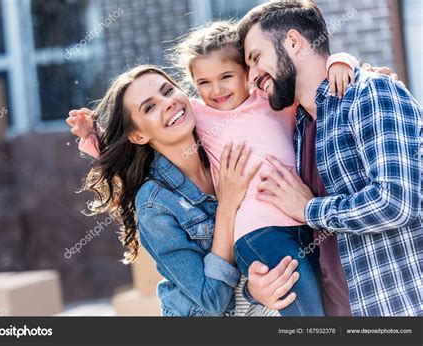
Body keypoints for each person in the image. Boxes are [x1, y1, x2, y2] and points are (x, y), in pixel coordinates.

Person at [67, 22, 358, 316]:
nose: (169, 104)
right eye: (150, 107)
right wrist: (227, 206)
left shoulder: (230, 115)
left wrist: (345, 67)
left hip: (293, 237)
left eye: (169, 90)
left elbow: (304, 82)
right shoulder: (157, 200)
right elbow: (212, 298)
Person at [238, 0, 422, 316]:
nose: (252, 76)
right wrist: (253, 291)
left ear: (293, 42)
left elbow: (397, 203)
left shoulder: (370, 93)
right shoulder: (295, 131)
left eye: (256, 59)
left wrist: (308, 209)